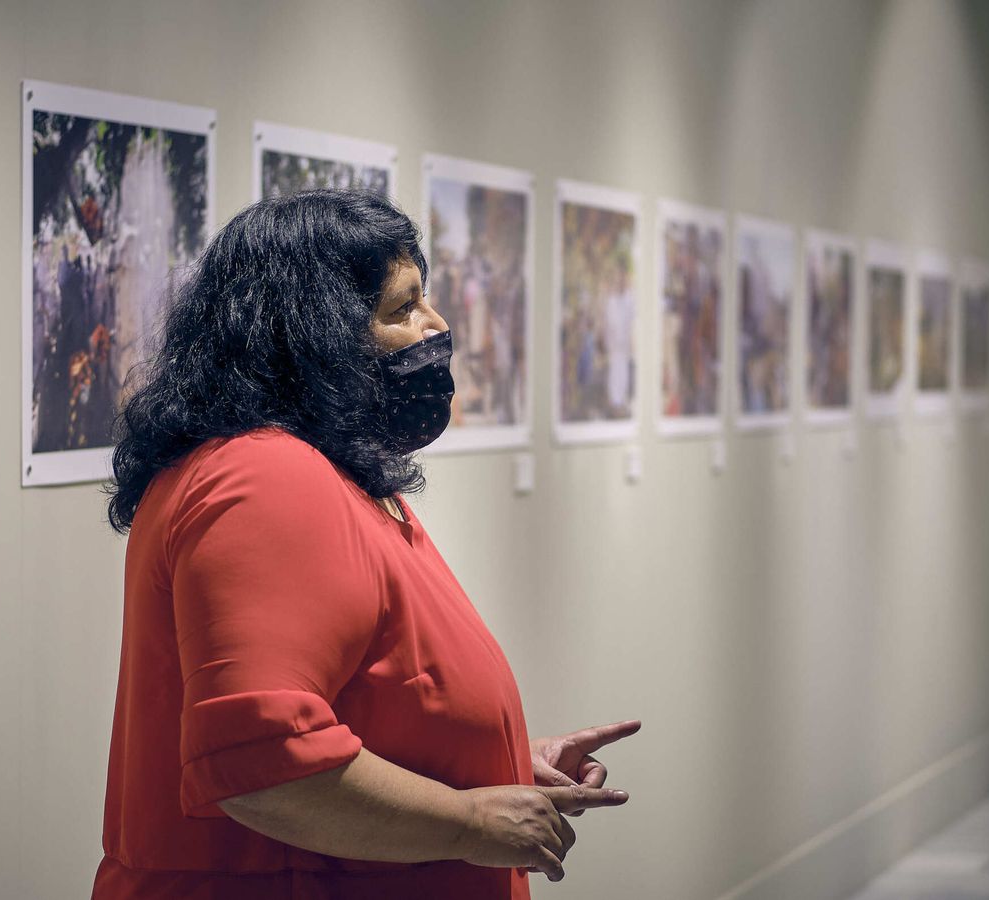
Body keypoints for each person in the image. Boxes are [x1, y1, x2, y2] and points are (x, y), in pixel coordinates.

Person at [93, 190, 640, 899]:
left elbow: (355, 704)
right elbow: (264, 764)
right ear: (315, 337)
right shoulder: (263, 478)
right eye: (401, 309)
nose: (436, 326)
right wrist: (470, 819)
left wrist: (489, 760)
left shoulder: (321, 477)